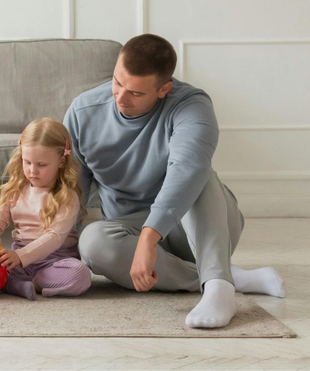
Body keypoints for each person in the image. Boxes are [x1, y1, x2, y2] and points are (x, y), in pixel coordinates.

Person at [65, 34, 285, 328]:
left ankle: (219, 288)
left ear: (163, 89)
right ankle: (225, 276)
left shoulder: (192, 105)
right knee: (92, 242)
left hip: (197, 226)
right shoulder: (83, 111)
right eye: (117, 82)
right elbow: (70, 188)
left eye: (135, 92)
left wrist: (149, 236)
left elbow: (188, 168)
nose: (120, 97)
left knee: (199, 174)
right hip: (128, 232)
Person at [0, 118, 92, 301]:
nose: (32, 171)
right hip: (18, 258)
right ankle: (16, 280)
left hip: (55, 260)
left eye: (41, 165)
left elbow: (54, 238)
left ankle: (25, 284)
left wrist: (20, 256)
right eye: (27, 162)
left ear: (61, 161)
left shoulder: (67, 197)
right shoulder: (15, 189)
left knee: (80, 275)